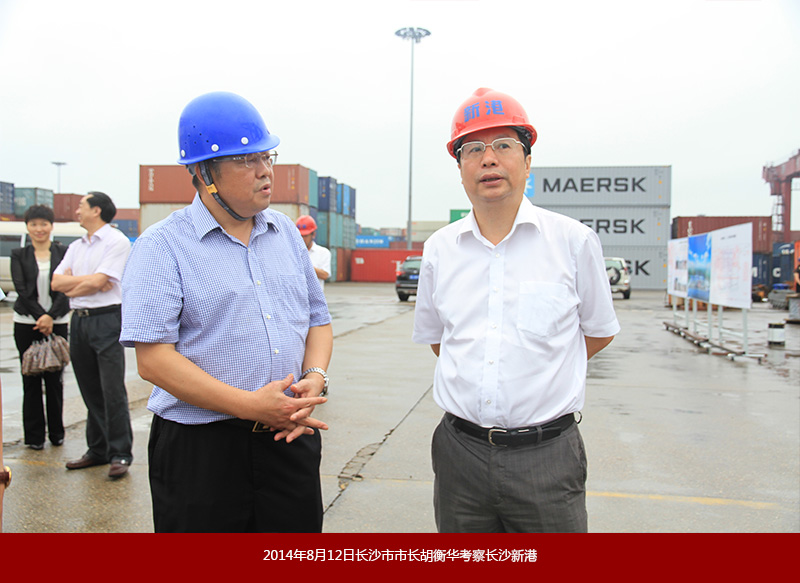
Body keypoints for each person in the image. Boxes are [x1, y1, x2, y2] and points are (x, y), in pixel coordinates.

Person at [120, 91, 332, 533]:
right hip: (202, 451)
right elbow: (153, 360)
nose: (265, 171)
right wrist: (251, 406)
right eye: (246, 160)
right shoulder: (162, 247)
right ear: (203, 173)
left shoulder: (286, 234)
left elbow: (317, 319)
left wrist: (315, 376)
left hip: (289, 439)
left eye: (267, 157)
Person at [412, 88, 621, 533]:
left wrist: (544, 368)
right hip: (459, 455)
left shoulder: (573, 241)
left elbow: (599, 331)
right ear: (460, 169)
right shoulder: (440, 250)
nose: (488, 159)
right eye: (473, 149)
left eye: (503, 145)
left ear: (527, 162)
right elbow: (439, 340)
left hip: (547, 456)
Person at [52, 192, 133, 479]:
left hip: (107, 319)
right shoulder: (76, 246)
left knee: (112, 390)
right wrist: (84, 285)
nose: (77, 211)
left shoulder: (116, 241)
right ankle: (98, 450)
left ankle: (120, 453)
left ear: (96, 210)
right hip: (79, 321)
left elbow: (100, 282)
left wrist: (77, 285)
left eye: (81, 206)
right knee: (89, 388)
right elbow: (56, 282)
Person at [10, 205, 71, 450]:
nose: (39, 229)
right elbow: (21, 290)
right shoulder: (19, 254)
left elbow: (66, 288)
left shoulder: (63, 252)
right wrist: (41, 317)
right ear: (27, 227)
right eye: (33, 224)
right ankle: (34, 437)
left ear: (51, 226)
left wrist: (51, 316)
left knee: (55, 380)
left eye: (43, 224)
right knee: (30, 379)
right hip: (26, 323)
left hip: (58, 323)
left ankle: (57, 433)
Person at [296, 214, 331, 291]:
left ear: (313, 235)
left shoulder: (323, 252)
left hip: (314, 296)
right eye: (300, 236)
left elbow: (325, 275)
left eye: (305, 236)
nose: (302, 239)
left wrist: (305, 266)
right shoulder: (291, 252)